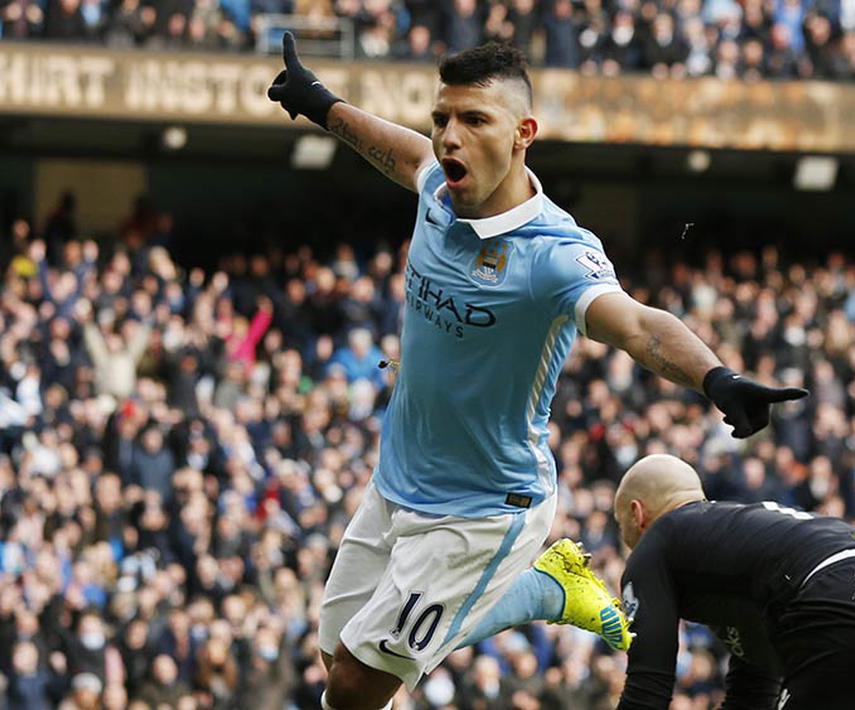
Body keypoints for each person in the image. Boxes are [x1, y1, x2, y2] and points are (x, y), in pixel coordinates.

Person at [267, 36, 809, 710]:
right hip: (396, 480)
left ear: (523, 133)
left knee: (355, 685)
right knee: (340, 659)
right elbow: (403, 153)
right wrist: (321, 104)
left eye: (474, 120)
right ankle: (545, 589)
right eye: (442, 119)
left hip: (484, 509)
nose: (449, 138)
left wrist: (716, 378)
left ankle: (541, 590)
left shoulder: (554, 255)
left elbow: (637, 325)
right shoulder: (437, 186)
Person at [612, 454, 855, 709]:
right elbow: (753, 691)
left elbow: (648, 691)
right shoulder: (745, 537)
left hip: (845, 595)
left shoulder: (657, 542)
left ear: (636, 512)